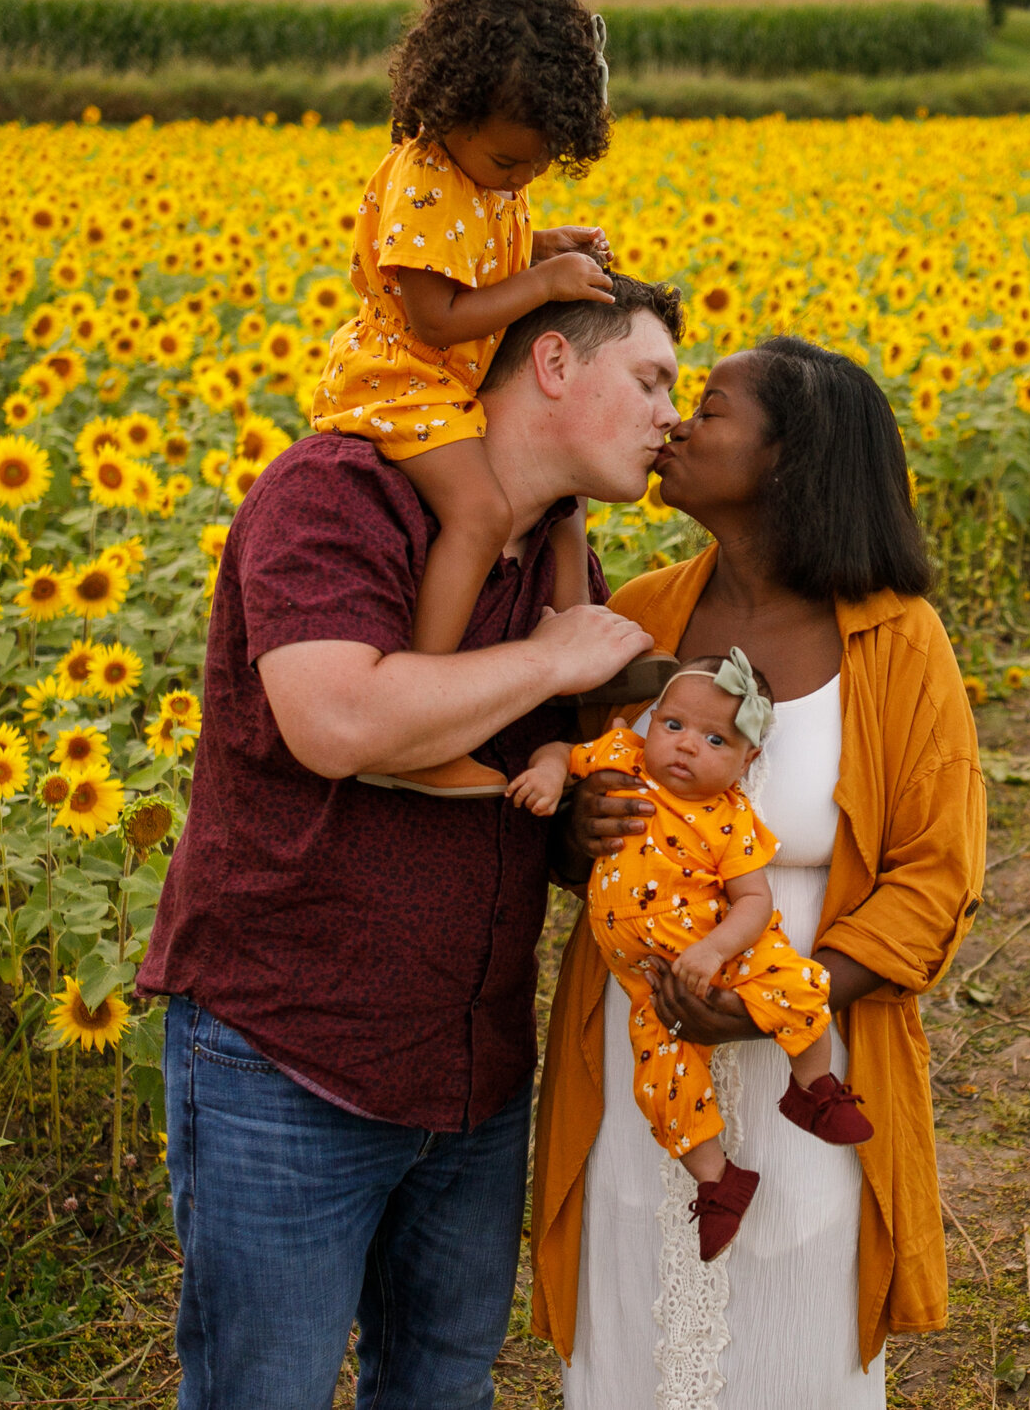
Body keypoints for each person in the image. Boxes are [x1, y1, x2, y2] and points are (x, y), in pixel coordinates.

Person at [139, 277, 683, 1410]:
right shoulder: (340, 488)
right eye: (649, 379)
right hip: (287, 1055)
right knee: (264, 1391)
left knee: (439, 1388)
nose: (669, 414)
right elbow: (337, 722)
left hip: (470, 1068)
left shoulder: (564, 554)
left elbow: (539, 791)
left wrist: (595, 815)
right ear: (550, 363)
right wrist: (552, 662)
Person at [532, 336, 988, 1409]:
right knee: (636, 1329)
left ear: (791, 458)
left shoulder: (897, 642)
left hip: (810, 1059)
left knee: (796, 1336)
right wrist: (576, 828)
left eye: (712, 407)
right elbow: (565, 826)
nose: (676, 423)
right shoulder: (639, 612)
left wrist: (787, 1001)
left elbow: (937, 874)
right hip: (635, 1052)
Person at [306, 0, 660, 799]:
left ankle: (571, 691)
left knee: (557, 514)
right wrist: (539, 285)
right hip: (402, 376)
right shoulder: (428, 180)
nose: (521, 179)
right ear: (451, 110)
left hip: (442, 378)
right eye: (510, 163)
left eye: (538, 167)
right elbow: (435, 315)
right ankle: (420, 724)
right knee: (481, 510)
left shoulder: (478, 173)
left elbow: (478, 250)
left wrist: (542, 243)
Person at [509, 652, 875, 1262]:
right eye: (672, 725)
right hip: (650, 984)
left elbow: (754, 902)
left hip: (725, 952)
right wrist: (552, 776)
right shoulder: (622, 759)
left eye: (714, 739)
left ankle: (813, 1085)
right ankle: (718, 1182)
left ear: (747, 760)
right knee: (662, 1084)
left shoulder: (730, 819)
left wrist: (714, 950)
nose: (684, 747)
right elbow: (558, 748)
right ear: (650, 723)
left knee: (800, 983)